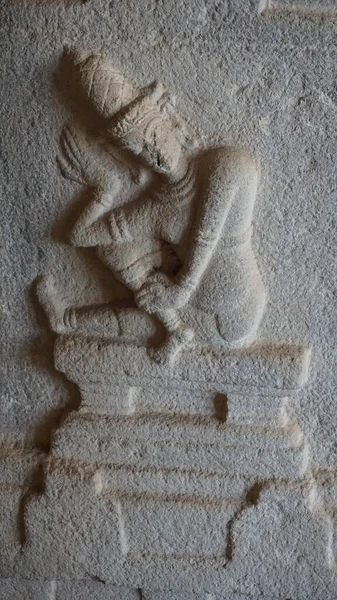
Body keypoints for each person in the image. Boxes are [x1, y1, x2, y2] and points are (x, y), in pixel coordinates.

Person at [37, 55, 266, 364]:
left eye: (154, 136)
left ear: (168, 122)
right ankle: (71, 321)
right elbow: (80, 236)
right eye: (139, 148)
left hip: (241, 313)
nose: (154, 152)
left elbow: (207, 231)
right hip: (189, 312)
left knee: (153, 292)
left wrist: (183, 286)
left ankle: (170, 328)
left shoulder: (225, 165)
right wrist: (106, 188)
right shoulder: (155, 208)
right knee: (114, 251)